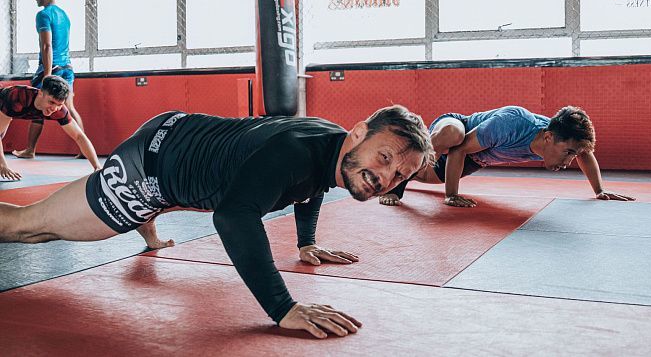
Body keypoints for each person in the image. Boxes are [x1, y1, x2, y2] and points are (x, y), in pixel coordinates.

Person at [0, 105, 434, 339]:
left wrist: (306, 243)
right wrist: (283, 308)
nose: (386, 178)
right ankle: (141, 215)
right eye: (385, 158)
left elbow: (315, 185)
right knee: (31, 227)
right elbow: (233, 216)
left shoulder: (333, 147)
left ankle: (148, 224)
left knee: (178, 196)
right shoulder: (296, 153)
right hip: (151, 168)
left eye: (400, 175)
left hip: (178, 141)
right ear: (359, 134)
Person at [379, 105, 634, 208]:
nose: (568, 162)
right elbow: (458, 149)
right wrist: (451, 195)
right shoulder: (512, 124)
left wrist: (599, 190)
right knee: (453, 135)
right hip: (460, 129)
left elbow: (585, 154)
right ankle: (400, 179)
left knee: (424, 176)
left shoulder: (556, 137)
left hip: (472, 160)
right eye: (567, 154)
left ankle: (404, 172)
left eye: (572, 156)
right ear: (548, 138)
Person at [12, 0, 86, 160]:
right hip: (67, 67)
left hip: (52, 68)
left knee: (36, 105)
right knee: (69, 106)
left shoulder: (44, 15)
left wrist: (47, 75)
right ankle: (84, 150)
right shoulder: (64, 15)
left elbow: (47, 46)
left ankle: (30, 150)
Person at [0, 76, 101, 180]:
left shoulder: (59, 111)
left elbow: (79, 136)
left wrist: (97, 166)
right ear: (40, 93)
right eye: (51, 102)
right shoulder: (18, 98)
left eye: (59, 104)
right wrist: (3, 164)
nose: (54, 108)